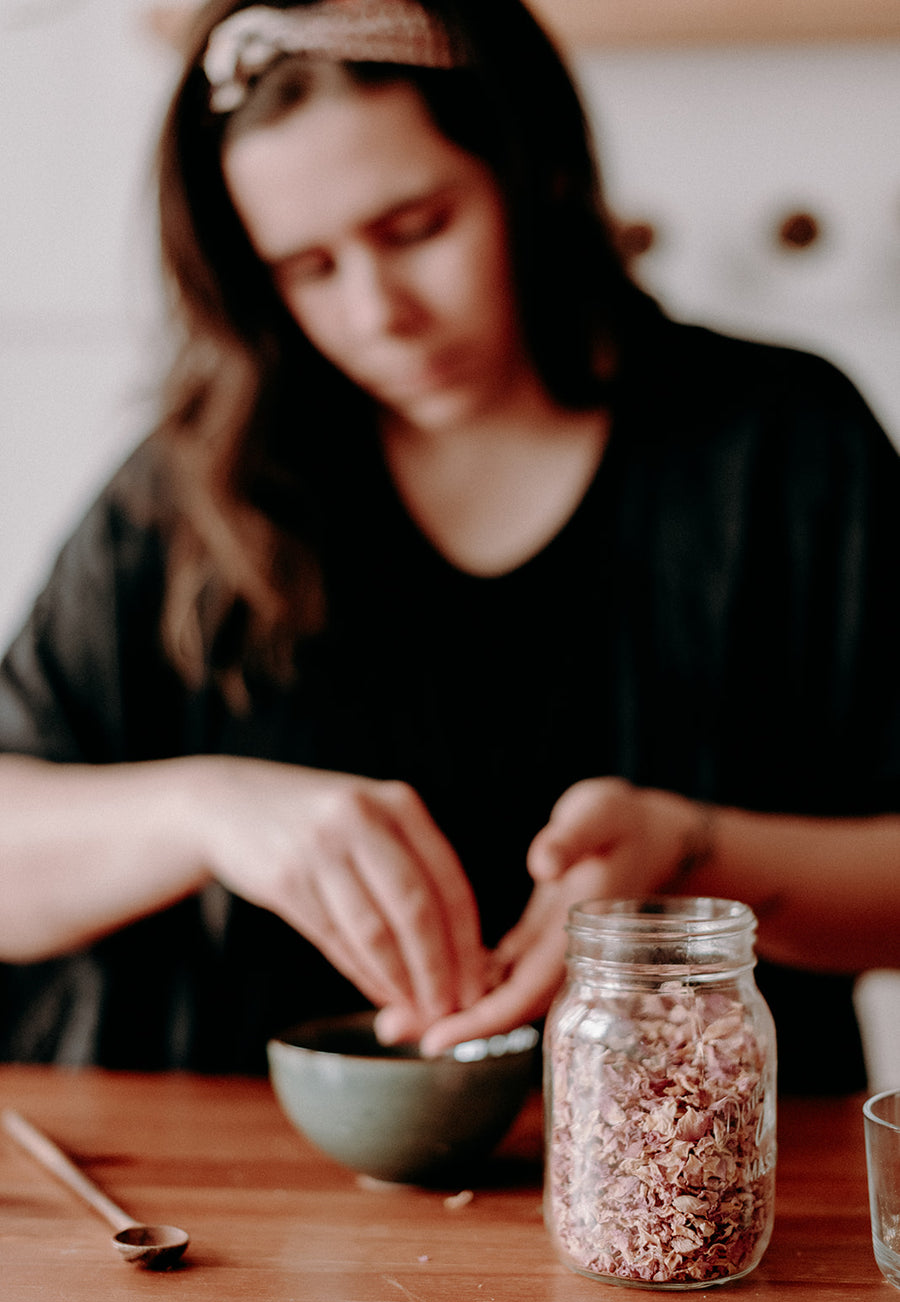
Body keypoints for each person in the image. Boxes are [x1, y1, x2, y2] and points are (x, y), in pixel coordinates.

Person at [1, 0, 898, 1089]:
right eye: (308, 268)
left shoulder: (786, 448)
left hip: (696, 1194)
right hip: (237, 1201)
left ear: (536, 174)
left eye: (417, 228)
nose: (378, 313)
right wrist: (205, 809)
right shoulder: (193, 491)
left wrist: (699, 855)